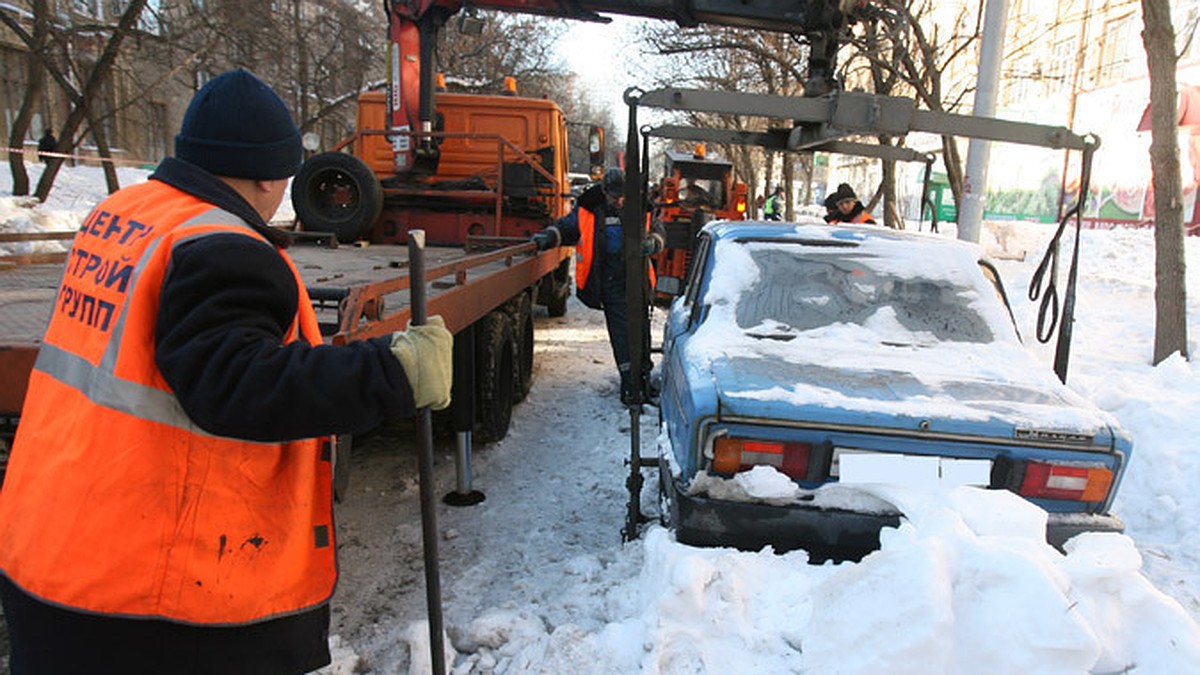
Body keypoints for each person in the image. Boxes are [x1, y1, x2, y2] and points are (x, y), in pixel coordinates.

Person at [0, 69, 453, 675]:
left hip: (56, 555)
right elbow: (238, 384)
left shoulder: (125, 213)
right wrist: (393, 372)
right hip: (158, 601)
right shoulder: (222, 246)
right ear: (269, 174)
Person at [532, 168, 663, 404]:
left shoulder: (640, 207)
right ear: (604, 192)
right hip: (610, 280)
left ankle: (643, 379)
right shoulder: (589, 209)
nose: (620, 201)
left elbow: (658, 230)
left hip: (637, 279)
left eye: (623, 196)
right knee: (623, 335)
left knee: (641, 330)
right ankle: (629, 385)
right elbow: (565, 228)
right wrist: (549, 236)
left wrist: (653, 242)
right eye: (615, 196)